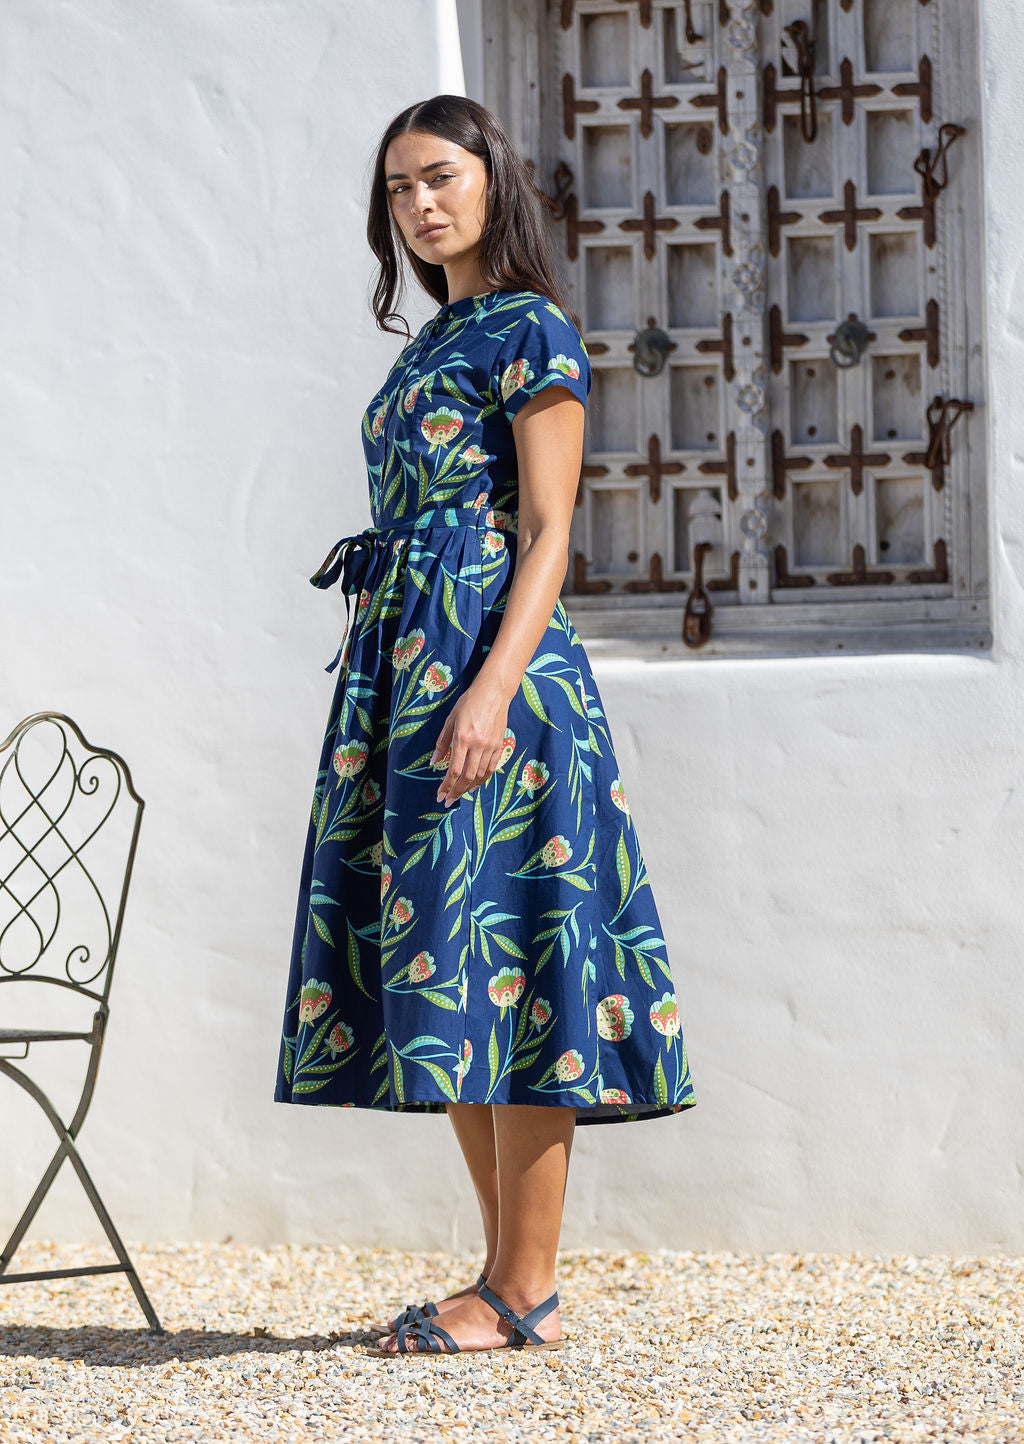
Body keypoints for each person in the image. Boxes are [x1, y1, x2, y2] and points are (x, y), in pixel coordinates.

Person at [273, 93, 696, 1357]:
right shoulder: (428, 342)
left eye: (439, 176)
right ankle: (506, 1278)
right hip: (407, 673)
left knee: (512, 961)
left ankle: (522, 1287)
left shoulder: (532, 330)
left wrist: (491, 690)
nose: (418, 204)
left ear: (493, 181)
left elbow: (554, 532)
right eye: (398, 187)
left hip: (492, 676)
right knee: (440, 966)